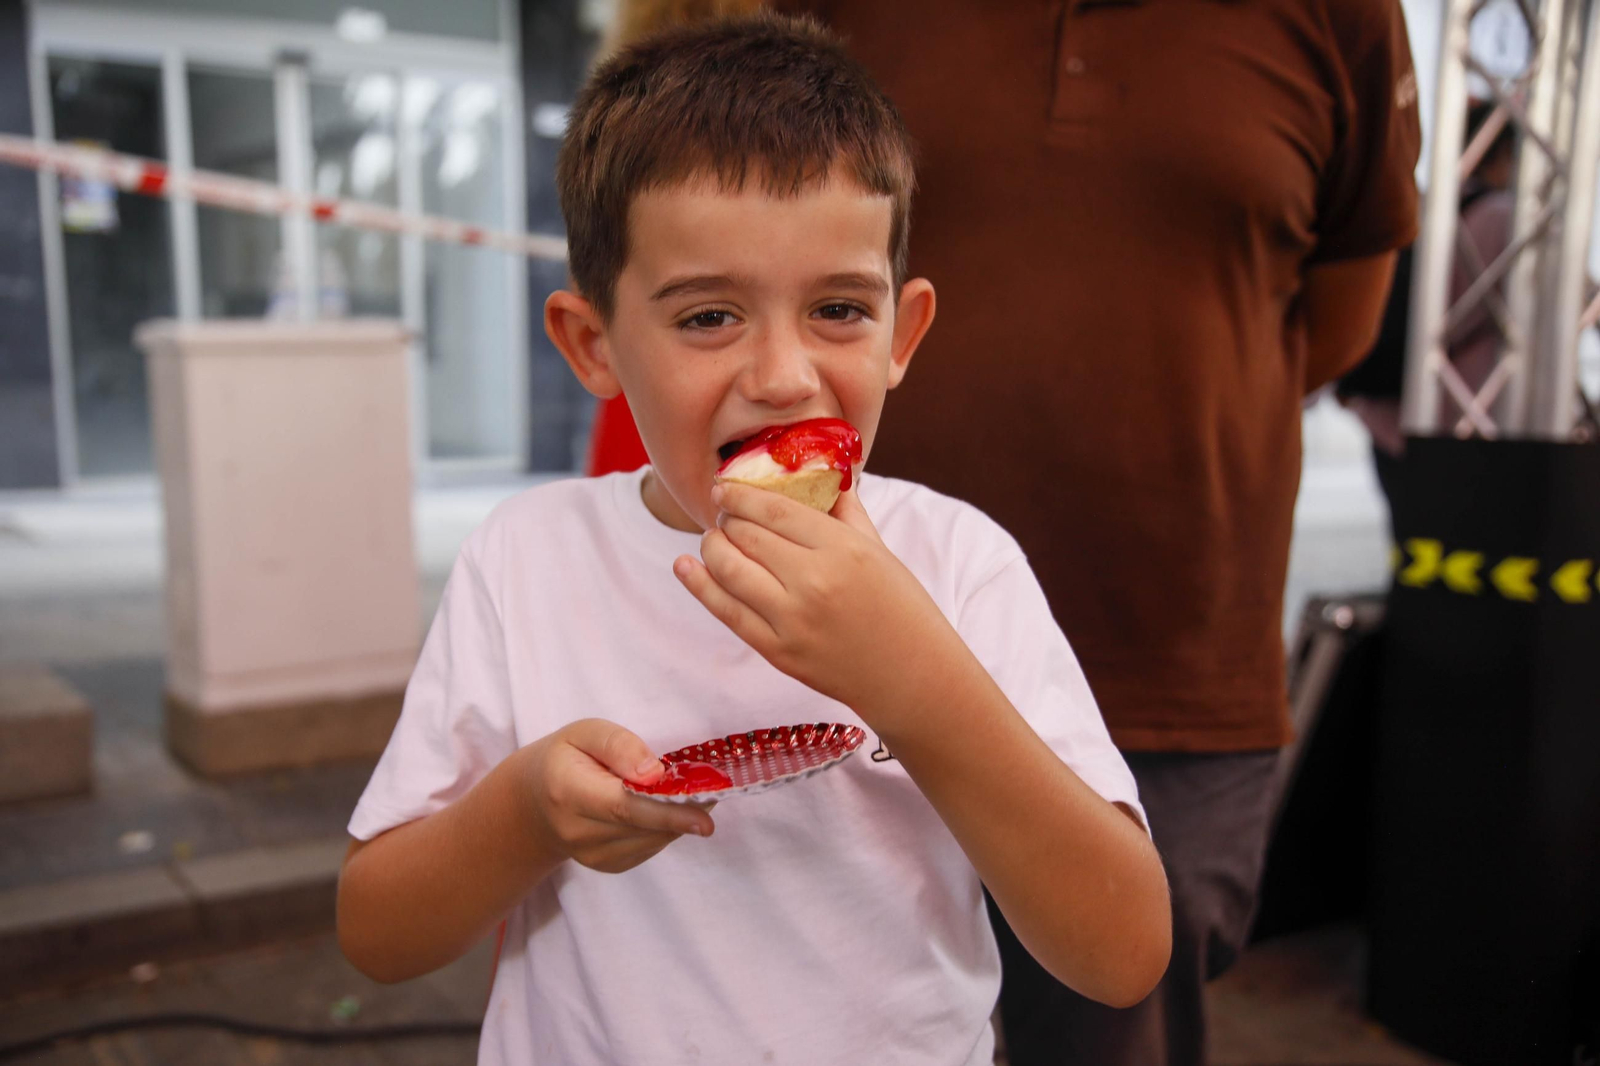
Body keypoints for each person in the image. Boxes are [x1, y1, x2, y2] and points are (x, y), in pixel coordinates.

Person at [336, 15, 1172, 1066]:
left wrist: (910, 674)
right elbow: (376, 932)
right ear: (592, 344)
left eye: (836, 309)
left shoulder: (959, 563)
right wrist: (527, 815)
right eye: (706, 318)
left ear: (902, 334)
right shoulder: (528, 559)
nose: (782, 375)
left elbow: (1123, 949)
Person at [766, 3, 1422, 1064]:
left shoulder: (1341, 16)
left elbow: (1339, 317)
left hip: (1167, 658)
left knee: (1121, 1018)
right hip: (836, 650)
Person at [1338, 99, 1517, 526]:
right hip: (1473, 429)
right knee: (1480, 560)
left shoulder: (1413, 212)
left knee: (1417, 560)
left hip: (1389, 424)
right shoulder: (1507, 217)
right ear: (1506, 153)